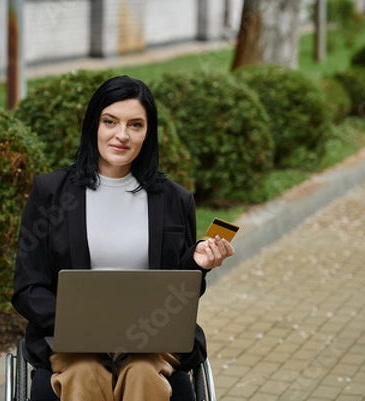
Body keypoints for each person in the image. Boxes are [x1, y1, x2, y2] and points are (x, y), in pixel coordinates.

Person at [12, 75, 235, 401]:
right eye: (110, 121)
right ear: (94, 126)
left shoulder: (174, 199)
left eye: (135, 125)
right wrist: (86, 327)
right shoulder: (52, 193)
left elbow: (181, 296)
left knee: (142, 371)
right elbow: (27, 288)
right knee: (84, 371)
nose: (121, 135)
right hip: (73, 341)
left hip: (152, 341)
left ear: (148, 133)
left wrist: (196, 264)